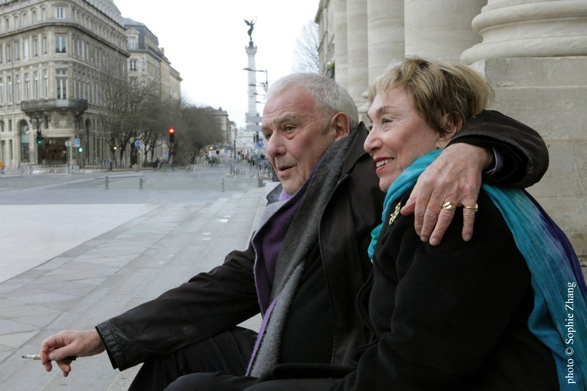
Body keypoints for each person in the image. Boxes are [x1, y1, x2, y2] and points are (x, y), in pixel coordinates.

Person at [40, 73, 550, 391]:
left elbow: (496, 126)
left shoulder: (374, 177)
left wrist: (472, 148)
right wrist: (105, 336)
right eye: (265, 134)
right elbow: (227, 285)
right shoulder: (302, 201)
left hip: (345, 364)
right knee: (180, 356)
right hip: (304, 354)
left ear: (337, 129)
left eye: (289, 128)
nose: (273, 148)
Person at [247, 58, 587, 391]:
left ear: (447, 128)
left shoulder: (449, 208)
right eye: (372, 122)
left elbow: (418, 363)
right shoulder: (413, 196)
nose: (369, 141)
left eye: (388, 121)